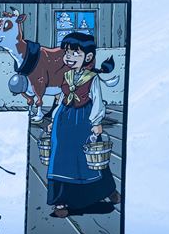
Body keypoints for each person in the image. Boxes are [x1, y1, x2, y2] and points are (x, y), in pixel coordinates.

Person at [46, 32, 121, 218]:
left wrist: (96, 122)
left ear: (87, 57)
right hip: (64, 119)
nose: (69, 57)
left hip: (84, 120)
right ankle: (60, 200)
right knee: (61, 157)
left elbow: (97, 100)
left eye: (75, 53)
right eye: (67, 53)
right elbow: (63, 98)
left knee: (90, 157)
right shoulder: (67, 75)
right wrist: (53, 118)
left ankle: (107, 191)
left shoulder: (92, 78)